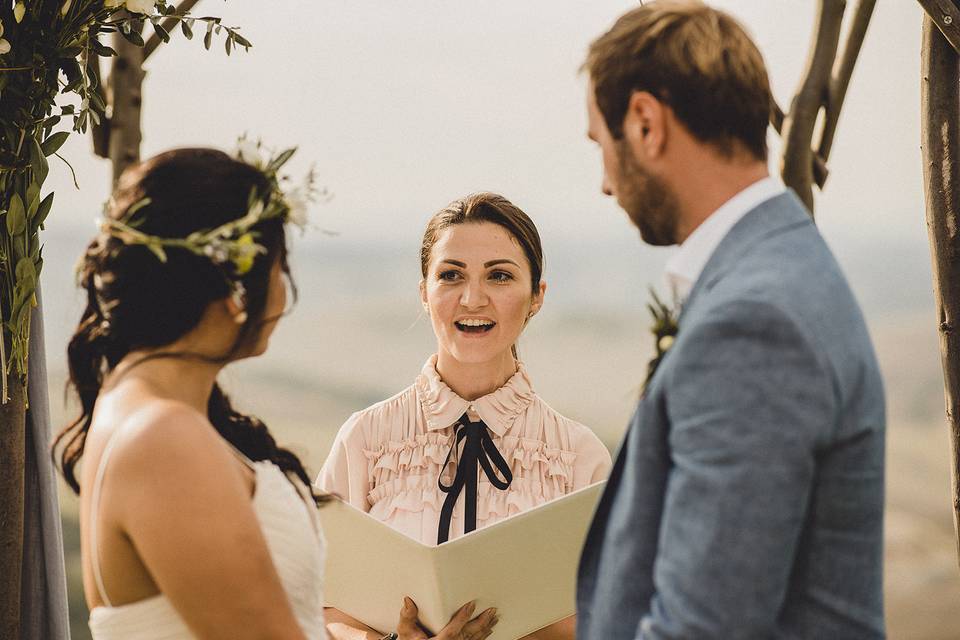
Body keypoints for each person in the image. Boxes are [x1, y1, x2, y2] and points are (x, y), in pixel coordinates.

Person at [576, 2, 886, 639]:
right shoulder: (782, 262)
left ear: (644, 123)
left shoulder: (752, 322)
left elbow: (702, 629)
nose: (605, 184)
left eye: (599, 145)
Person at [53, 146, 329, 639]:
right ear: (235, 287)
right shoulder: (165, 439)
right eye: (279, 266)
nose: (285, 292)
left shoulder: (141, 404)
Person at [316, 192, 612, 640]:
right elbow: (323, 608)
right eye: (451, 275)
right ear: (424, 293)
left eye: (499, 276)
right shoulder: (365, 439)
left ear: (537, 296)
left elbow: (609, 619)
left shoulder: (578, 457)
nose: (473, 299)